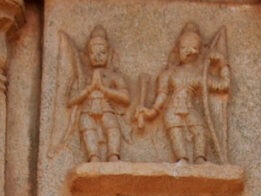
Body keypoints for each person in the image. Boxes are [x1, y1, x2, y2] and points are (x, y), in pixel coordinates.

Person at [133, 23, 230, 164]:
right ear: (177, 50)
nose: (188, 51)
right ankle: (182, 159)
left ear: (200, 51)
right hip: (172, 110)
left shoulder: (199, 75)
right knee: (176, 133)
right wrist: (150, 112)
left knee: (200, 131)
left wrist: (223, 64)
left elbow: (223, 86)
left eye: (193, 48)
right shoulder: (168, 74)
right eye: (184, 48)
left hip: (190, 109)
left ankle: (200, 159)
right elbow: (161, 98)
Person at [67, 26, 131, 163]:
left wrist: (105, 90)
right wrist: (89, 89)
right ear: (87, 55)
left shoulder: (114, 76)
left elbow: (126, 98)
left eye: (102, 53)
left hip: (107, 108)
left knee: (112, 128)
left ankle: (113, 155)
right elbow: (71, 100)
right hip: (87, 109)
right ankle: (93, 156)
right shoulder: (82, 78)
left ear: (109, 54)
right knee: (87, 128)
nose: (97, 57)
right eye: (93, 53)